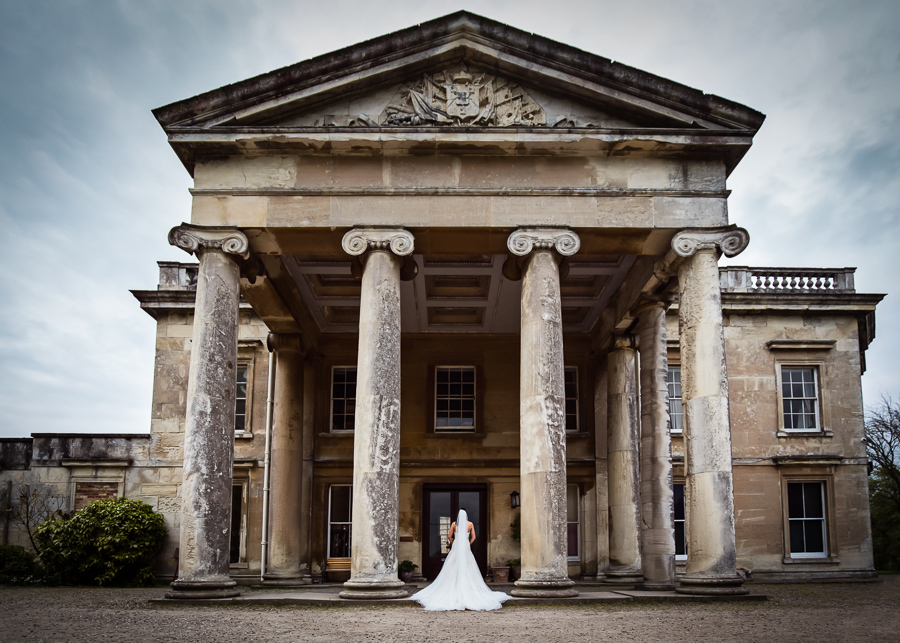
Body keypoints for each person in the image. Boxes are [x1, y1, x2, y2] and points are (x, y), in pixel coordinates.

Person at [412, 508, 510, 611]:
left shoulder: (454, 524)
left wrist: (453, 541)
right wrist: (468, 542)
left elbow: (449, 536)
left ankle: (453, 585)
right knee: (468, 564)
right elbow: (474, 537)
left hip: (457, 545)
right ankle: (468, 587)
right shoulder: (470, 524)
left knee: (453, 564)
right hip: (465, 546)